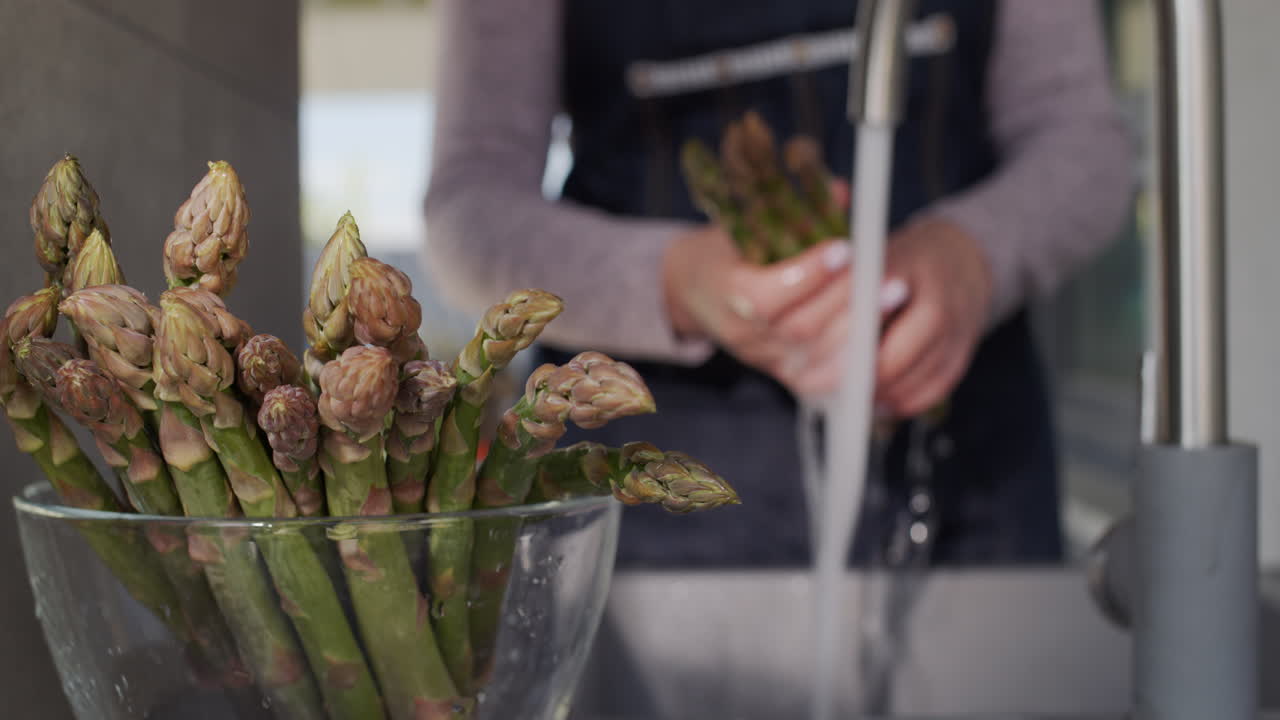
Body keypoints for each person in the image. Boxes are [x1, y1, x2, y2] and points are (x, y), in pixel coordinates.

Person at [425, 1, 1134, 567]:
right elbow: (468, 212)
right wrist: (677, 283)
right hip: (656, 495)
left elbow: (1084, 146)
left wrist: (970, 255)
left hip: (975, 480)